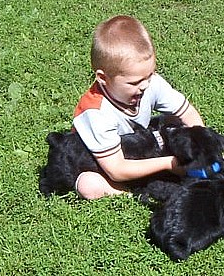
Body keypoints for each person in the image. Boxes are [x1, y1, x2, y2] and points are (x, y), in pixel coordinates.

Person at [73, 15, 204, 200]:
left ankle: (161, 175)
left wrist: (205, 146)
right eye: (135, 82)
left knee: (175, 123)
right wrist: (169, 163)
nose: (144, 85)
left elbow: (186, 112)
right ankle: (134, 194)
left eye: (149, 75)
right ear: (103, 78)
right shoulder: (95, 113)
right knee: (89, 185)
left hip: (140, 147)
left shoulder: (150, 83)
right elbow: (116, 170)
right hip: (105, 165)